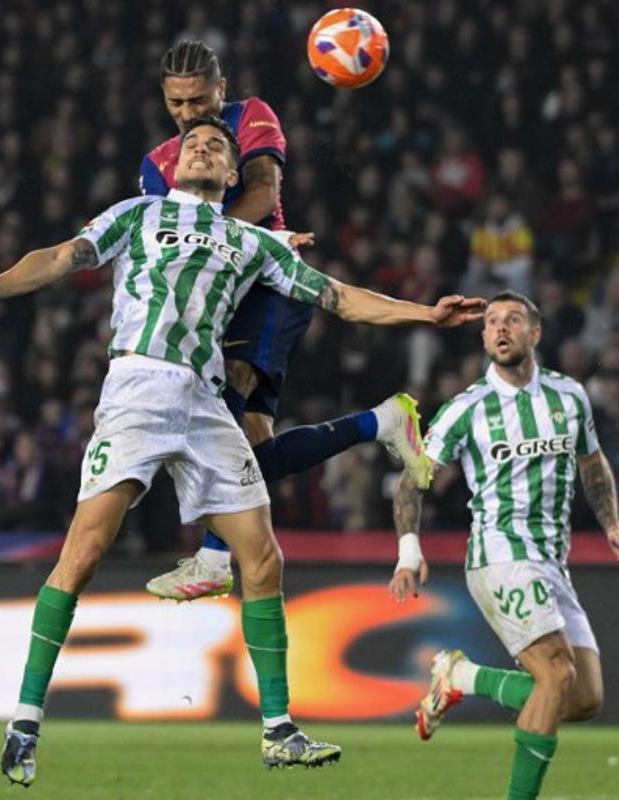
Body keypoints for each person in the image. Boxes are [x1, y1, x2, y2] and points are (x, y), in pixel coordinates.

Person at [0, 116, 484, 786]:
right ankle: (23, 722)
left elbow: (336, 297)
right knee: (85, 551)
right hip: (137, 386)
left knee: (263, 556)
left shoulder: (252, 242)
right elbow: (56, 258)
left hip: (203, 401)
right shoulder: (137, 214)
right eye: (194, 143)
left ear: (231, 176)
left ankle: (279, 731)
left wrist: (426, 313)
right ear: (177, 163)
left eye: (218, 146)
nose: (204, 148)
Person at [141, 41, 427, 600]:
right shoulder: (156, 163)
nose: (188, 113)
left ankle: (212, 559)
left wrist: (241, 239)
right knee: (254, 453)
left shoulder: (250, 116)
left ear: (220, 90)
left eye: (198, 99)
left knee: (224, 412)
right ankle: (382, 423)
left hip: (267, 282)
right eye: (176, 104)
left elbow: (264, 190)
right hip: (214, 299)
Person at [388, 291, 619, 800]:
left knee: (584, 698)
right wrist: (409, 551)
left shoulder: (570, 397)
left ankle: (463, 676)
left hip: (551, 562)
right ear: (483, 338)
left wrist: (611, 524)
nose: (501, 329)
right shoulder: (467, 409)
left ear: (535, 333)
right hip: (499, 555)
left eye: (513, 320)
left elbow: (592, 462)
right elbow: (413, 480)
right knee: (557, 674)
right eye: (493, 322)